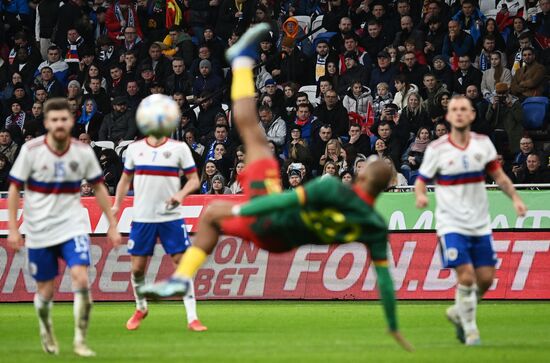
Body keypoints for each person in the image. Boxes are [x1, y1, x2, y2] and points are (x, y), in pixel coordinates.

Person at [139, 24, 413, 351]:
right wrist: (394, 326)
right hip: (279, 239)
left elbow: (281, 203)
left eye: (365, 165)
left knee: (235, 161)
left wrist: (241, 208)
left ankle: (240, 63)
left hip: (269, 219)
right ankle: (181, 279)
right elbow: (384, 281)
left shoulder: (333, 190)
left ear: (364, 178)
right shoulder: (375, 227)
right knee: (250, 138)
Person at [7, 98, 121, 357]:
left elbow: (99, 188)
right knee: (46, 290)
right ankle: (46, 328)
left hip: (73, 226)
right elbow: (14, 189)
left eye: (64, 119)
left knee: (81, 278)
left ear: (71, 121)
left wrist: (112, 224)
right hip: (39, 230)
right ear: (46, 123)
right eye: (54, 120)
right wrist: (14, 228)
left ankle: (80, 340)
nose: (59, 124)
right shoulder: (31, 151)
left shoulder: (81, 152)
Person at [414, 95, 527, 346]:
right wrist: (420, 195)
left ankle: (459, 311)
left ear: (472, 115)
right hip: (450, 223)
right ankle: (470, 328)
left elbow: (499, 177)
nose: (459, 113)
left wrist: (516, 199)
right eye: (455, 109)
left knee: (486, 279)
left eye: (464, 109)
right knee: (466, 277)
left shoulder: (483, 144)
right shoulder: (437, 149)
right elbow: (421, 180)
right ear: (448, 115)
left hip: (480, 223)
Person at [112, 101, 206, 332]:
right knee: (137, 269)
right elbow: (125, 180)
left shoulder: (179, 148)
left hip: (170, 217)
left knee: (182, 264)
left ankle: (192, 317)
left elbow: (194, 180)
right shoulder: (134, 149)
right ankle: (141, 307)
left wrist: (180, 194)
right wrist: (116, 205)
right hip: (143, 217)